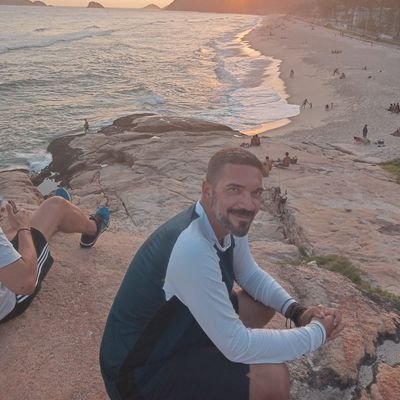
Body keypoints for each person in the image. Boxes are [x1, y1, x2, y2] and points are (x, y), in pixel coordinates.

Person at [100, 148, 343, 400]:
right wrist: (318, 333)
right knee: (272, 378)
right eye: (234, 189)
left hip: (178, 334)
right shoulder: (192, 247)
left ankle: (211, 361)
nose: (248, 205)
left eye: (255, 193)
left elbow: (249, 274)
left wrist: (297, 312)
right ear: (208, 191)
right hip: (140, 373)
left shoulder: (226, 222)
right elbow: (238, 345)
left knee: (261, 305)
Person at [0, 191, 110, 324]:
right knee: (56, 205)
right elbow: (25, 283)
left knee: (40, 219)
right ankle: (93, 228)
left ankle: (56, 222)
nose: (2, 208)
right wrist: (23, 228)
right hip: (12, 293)